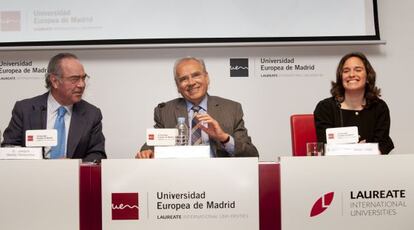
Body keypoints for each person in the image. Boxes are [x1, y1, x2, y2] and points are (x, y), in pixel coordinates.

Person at [136, 56, 259, 158]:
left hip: (220, 176)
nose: (191, 82)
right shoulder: (164, 111)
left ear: (207, 78)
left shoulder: (231, 109)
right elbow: (150, 146)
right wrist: (146, 153)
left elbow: (252, 155)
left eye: (196, 75)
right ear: (178, 86)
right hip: (178, 177)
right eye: (184, 79)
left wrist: (223, 138)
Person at [1, 53, 106, 162]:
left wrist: (74, 165)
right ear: (55, 81)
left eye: (83, 78)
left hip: (72, 176)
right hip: (32, 176)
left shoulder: (92, 114)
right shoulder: (25, 110)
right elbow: (9, 149)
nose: (81, 85)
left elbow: (97, 154)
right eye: (74, 79)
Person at [313, 52, 394, 154]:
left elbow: (381, 145)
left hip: (371, 167)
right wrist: (357, 150)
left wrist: (360, 151)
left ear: (368, 76)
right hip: (335, 168)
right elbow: (324, 147)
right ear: (340, 77)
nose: (351, 75)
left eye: (358, 70)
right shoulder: (325, 108)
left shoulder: (379, 107)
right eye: (346, 71)